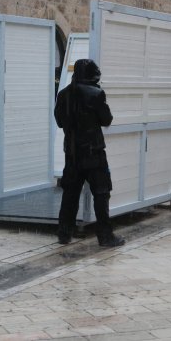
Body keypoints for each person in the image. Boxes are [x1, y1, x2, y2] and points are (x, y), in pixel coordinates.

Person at [54, 59, 125, 247]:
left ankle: (64, 233)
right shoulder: (96, 93)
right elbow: (106, 119)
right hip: (94, 153)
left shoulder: (63, 94)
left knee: (70, 194)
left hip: (72, 153)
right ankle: (105, 236)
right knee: (101, 194)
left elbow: (59, 121)